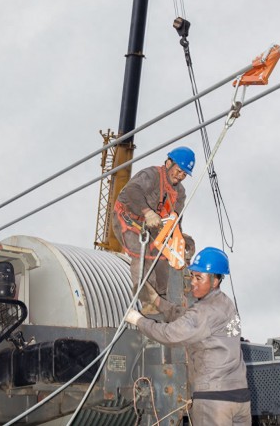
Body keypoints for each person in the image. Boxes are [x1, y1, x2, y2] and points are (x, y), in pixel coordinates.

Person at [124, 247, 251, 426]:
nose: (192, 282)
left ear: (215, 281)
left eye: (199, 278)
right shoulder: (225, 304)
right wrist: (158, 302)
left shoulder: (205, 311)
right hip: (239, 398)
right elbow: (189, 318)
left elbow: (170, 334)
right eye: (192, 276)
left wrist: (139, 321)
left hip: (214, 401)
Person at [111, 146, 196, 308]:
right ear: (169, 163)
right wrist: (148, 212)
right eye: (178, 171)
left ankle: (163, 303)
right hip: (127, 219)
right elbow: (132, 190)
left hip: (152, 226)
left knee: (164, 258)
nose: (180, 176)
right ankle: (148, 303)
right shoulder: (151, 175)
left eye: (184, 174)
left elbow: (175, 219)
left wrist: (177, 240)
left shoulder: (180, 193)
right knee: (143, 256)